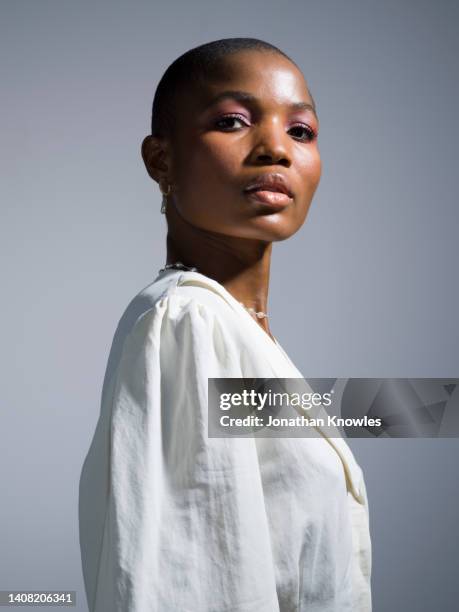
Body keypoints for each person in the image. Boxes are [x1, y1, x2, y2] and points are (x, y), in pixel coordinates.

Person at [78, 37, 372, 612]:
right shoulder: (188, 322)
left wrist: (432, 407)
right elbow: (190, 583)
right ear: (161, 160)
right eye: (234, 121)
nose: (275, 149)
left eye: (301, 131)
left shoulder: (236, 332)